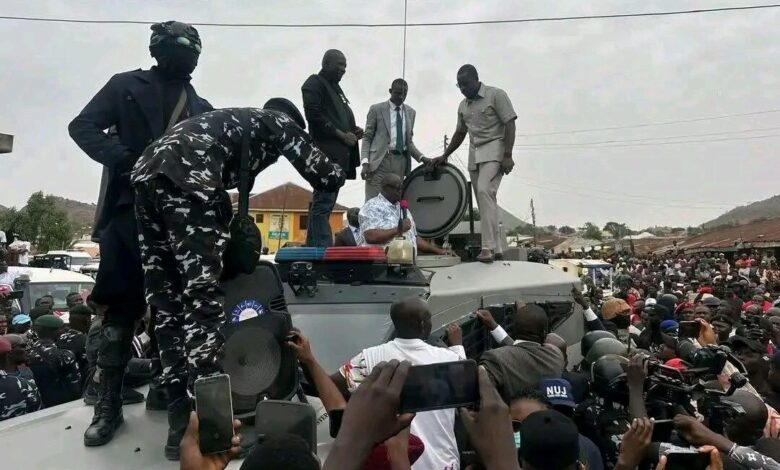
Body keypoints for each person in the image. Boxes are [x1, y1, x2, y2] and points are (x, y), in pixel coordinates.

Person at [132, 100, 344, 460]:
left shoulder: (228, 124)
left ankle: (179, 427)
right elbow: (326, 175)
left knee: (167, 307)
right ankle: (210, 436)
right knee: (203, 306)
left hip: (146, 176)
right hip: (186, 176)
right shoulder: (276, 120)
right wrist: (343, 152)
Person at [69, 20, 213, 448]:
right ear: (161, 50)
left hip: (178, 222)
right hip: (129, 215)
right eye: (184, 49)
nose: (190, 57)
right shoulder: (125, 85)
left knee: (179, 315)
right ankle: (107, 405)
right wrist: (128, 160)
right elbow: (83, 127)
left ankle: (173, 407)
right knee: (119, 311)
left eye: (195, 51)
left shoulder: (201, 105)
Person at [335, 297, 465, 470]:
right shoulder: (450, 359)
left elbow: (334, 383)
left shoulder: (368, 358)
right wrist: (457, 347)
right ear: (422, 324)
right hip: (441, 464)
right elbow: (467, 390)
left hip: (390, 464)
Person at [432, 64, 517, 263]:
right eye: (459, 86)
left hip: (496, 148)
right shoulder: (463, 106)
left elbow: (510, 123)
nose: (462, 89)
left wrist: (508, 154)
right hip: (475, 152)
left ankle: (487, 247)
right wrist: (445, 155)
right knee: (486, 199)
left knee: (484, 190)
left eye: (465, 84)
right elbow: (460, 133)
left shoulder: (496, 95)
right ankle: (497, 248)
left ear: (476, 80)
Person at [302, 49, 363, 247]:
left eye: (345, 65)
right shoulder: (315, 83)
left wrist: (353, 131)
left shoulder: (336, 89)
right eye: (339, 64)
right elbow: (314, 115)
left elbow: (337, 117)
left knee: (323, 205)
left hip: (340, 157)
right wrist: (341, 134)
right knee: (323, 204)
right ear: (326, 63)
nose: (343, 69)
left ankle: (314, 246)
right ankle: (322, 250)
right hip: (326, 156)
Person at [478, 302, 565, 401]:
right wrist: (494, 327)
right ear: (544, 334)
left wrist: (458, 346)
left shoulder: (495, 359)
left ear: (514, 330)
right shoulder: (556, 357)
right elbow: (523, 351)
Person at [360, 78, 429, 200]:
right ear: (390, 91)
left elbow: (409, 142)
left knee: (395, 200)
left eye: (404, 93)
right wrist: (365, 162)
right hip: (379, 162)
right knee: (373, 201)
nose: (401, 97)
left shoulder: (411, 113)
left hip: (400, 163)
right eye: (398, 93)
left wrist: (422, 158)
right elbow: (367, 137)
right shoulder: (376, 109)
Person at [511, 386, 604, 470]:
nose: (525, 431)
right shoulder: (499, 456)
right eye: (515, 425)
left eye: (536, 423)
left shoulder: (587, 449)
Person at [357, 173, 448, 255]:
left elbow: (414, 238)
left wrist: (439, 251)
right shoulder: (372, 206)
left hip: (407, 263)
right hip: (381, 266)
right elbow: (371, 236)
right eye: (397, 187)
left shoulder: (403, 209)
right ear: (385, 188)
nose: (401, 191)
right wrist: (399, 229)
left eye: (402, 187)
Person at [26, 315, 81, 408]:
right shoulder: (64, 355)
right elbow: (75, 384)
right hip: (63, 404)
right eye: (61, 329)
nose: (63, 332)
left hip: (39, 404)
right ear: (54, 332)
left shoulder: (26, 353)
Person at [0, 336, 41, 421]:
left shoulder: (27, 372)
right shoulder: (25, 385)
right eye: (22, 346)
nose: (27, 350)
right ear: (9, 353)